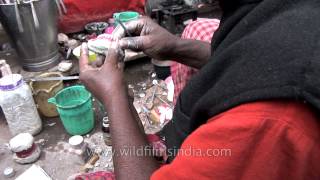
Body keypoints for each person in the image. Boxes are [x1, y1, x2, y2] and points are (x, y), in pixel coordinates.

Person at [79, 0, 320, 179]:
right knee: (197, 29)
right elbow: (257, 59)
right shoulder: (280, 11)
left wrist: (114, 96)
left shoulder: (269, 122)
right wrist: (175, 46)